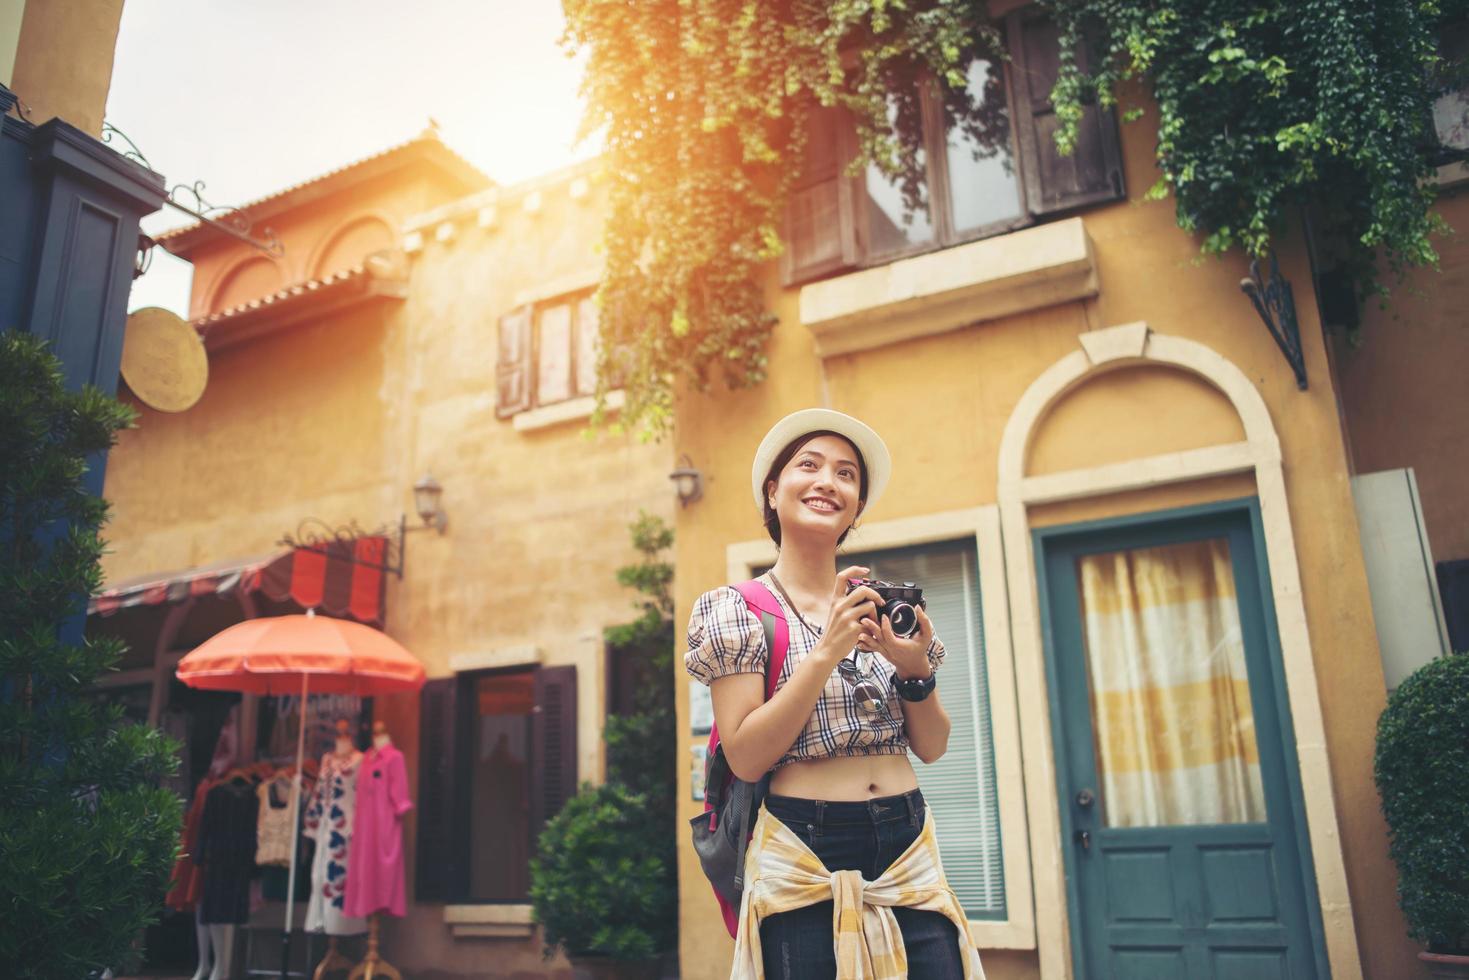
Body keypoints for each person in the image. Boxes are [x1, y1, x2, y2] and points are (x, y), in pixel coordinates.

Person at [685, 409, 985, 979]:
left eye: (847, 474)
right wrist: (825, 652)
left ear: (857, 507)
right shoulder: (737, 608)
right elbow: (747, 756)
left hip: (907, 842)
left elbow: (934, 744)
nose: (829, 481)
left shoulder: (882, 605)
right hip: (804, 846)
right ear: (773, 492)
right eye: (809, 465)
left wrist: (913, 668)